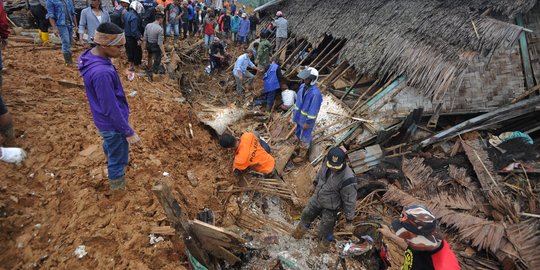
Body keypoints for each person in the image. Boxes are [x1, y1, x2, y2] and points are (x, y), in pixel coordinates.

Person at [78, 22, 142, 191]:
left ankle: (110, 153)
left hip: (103, 121)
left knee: (111, 146)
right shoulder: (102, 73)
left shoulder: (92, 57)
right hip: (112, 125)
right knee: (117, 161)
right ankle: (118, 191)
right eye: (119, 47)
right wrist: (128, 132)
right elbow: (110, 108)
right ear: (105, 46)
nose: (122, 51)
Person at [292, 147, 357, 253]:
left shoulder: (348, 179)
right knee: (306, 214)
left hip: (331, 206)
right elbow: (320, 174)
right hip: (318, 196)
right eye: (331, 166)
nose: (333, 169)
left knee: (325, 230)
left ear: (343, 162)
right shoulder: (326, 161)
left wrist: (349, 220)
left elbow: (350, 200)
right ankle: (296, 236)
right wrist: (314, 183)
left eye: (336, 167)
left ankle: (320, 251)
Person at [378, 205, 460, 270]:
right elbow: (409, 246)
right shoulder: (426, 243)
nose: (405, 240)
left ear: (422, 240)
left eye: (408, 237)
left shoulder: (441, 267)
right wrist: (390, 235)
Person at [292, 67, 322, 162]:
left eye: (307, 79)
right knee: (297, 131)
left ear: (313, 79)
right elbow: (298, 102)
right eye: (304, 78)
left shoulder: (315, 94)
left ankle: (302, 155)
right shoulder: (302, 87)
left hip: (306, 120)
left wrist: (308, 123)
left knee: (305, 137)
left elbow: (313, 111)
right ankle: (296, 145)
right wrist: (294, 113)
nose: (305, 80)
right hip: (298, 116)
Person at [46, 0, 77, 64]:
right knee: (66, 41)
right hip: (60, 24)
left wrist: (76, 25)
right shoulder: (50, 1)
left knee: (70, 42)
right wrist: (54, 28)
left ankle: (69, 59)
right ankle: (68, 62)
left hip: (70, 24)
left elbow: (73, 13)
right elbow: (51, 15)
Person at [124, 1, 144, 71]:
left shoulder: (127, 14)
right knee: (137, 52)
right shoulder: (135, 17)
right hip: (133, 37)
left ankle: (131, 65)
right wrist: (139, 37)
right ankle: (137, 67)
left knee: (129, 51)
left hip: (127, 36)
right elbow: (134, 30)